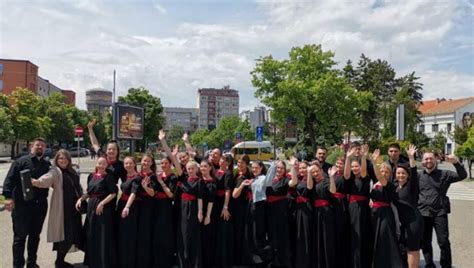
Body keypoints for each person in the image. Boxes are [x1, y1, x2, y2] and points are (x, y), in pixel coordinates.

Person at [3, 137, 51, 268]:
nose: (40, 147)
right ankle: (18, 265)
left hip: (40, 206)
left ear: (45, 148)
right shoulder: (21, 162)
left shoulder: (47, 165)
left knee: (35, 236)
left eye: (42, 145)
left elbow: (54, 180)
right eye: (37, 145)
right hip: (22, 206)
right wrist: (7, 198)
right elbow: (9, 180)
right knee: (20, 237)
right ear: (31, 147)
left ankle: (31, 263)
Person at [31, 149, 83, 268]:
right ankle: (59, 262)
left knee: (74, 234)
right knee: (65, 236)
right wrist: (34, 182)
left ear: (69, 160)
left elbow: (77, 186)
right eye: (60, 158)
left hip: (74, 209)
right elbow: (45, 180)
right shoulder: (55, 171)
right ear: (56, 160)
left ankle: (61, 260)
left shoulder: (72, 171)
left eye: (65, 158)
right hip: (63, 209)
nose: (63, 160)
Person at [160, 130, 202, 268]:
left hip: (191, 206)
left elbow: (193, 155)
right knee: (179, 232)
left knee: (189, 233)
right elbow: (172, 158)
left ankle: (190, 259)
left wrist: (186, 141)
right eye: (181, 158)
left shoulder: (195, 172)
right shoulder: (180, 173)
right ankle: (178, 258)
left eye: (185, 157)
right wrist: (163, 141)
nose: (183, 159)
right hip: (178, 204)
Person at [418, 152, 467, 268]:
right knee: (425, 241)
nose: (429, 161)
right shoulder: (418, 176)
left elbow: (462, 175)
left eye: (431, 158)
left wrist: (456, 162)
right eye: (426, 159)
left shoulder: (444, 174)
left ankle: (446, 265)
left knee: (443, 241)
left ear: (435, 160)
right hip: (423, 212)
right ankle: (429, 264)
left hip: (440, 212)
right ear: (423, 161)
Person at [76, 156, 118, 268]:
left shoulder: (108, 177)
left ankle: (103, 262)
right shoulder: (91, 176)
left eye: (104, 164)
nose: (101, 165)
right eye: (100, 163)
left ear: (107, 165)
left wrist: (102, 203)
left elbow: (113, 194)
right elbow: (89, 192)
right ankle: (92, 260)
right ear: (96, 164)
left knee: (102, 234)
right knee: (91, 233)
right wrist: (81, 199)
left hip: (103, 208)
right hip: (91, 208)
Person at [370, 149, 403, 268]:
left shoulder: (389, 185)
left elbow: (379, 177)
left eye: (386, 172)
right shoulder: (374, 185)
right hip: (374, 214)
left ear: (390, 174)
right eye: (382, 171)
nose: (383, 173)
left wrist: (374, 163)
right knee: (376, 240)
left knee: (386, 239)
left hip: (385, 215)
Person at [344, 144, 373, 268]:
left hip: (362, 208)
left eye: (357, 166)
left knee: (362, 235)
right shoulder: (350, 178)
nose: (354, 168)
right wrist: (348, 158)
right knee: (352, 236)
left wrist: (364, 157)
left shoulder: (364, 177)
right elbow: (345, 175)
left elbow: (364, 170)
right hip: (351, 208)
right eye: (353, 167)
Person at [394, 145, 423, 268]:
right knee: (403, 248)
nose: (400, 175)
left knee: (412, 249)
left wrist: (411, 157)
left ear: (407, 175)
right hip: (402, 223)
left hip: (413, 222)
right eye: (398, 173)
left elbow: (414, 172)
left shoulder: (411, 186)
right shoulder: (395, 188)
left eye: (403, 173)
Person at [116, 156, 142, 268]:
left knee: (129, 235)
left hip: (130, 207)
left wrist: (127, 207)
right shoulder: (126, 176)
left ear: (135, 164)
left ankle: (129, 262)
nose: (128, 165)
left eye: (130, 163)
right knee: (122, 235)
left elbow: (133, 193)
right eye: (126, 163)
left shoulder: (137, 177)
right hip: (122, 204)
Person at [266, 160, 292, 267]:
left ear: (285, 170)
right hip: (269, 210)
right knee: (270, 235)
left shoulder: (286, 179)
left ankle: (281, 261)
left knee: (280, 236)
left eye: (281, 168)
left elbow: (293, 183)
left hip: (280, 210)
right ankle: (271, 260)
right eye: (278, 168)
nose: (279, 170)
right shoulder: (270, 179)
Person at [288, 158, 313, 268]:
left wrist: (309, 173)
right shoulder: (299, 179)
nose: (302, 170)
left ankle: (307, 262)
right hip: (298, 209)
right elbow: (293, 183)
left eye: (305, 168)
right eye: (301, 168)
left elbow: (309, 187)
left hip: (307, 209)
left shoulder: (310, 179)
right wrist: (293, 166)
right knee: (299, 235)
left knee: (306, 235)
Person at [153, 156, 177, 268]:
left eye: (166, 163)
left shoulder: (172, 177)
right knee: (157, 233)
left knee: (165, 233)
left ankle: (167, 260)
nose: (163, 165)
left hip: (165, 206)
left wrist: (161, 182)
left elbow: (171, 194)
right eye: (161, 163)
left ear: (170, 164)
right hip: (156, 205)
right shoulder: (158, 175)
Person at [312, 163, 337, 268]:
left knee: (327, 239)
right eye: (313, 172)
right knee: (318, 239)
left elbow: (333, 191)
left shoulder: (326, 181)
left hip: (326, 213)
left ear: (321, 171)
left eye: (317, 171)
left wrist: (331, 177)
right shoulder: (312, 182)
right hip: (316, 213)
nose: (315, 173)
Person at [87, 119, 126, 184]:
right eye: (109, 149)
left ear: (117, 151)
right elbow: (95, 144)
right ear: (106, 150)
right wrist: (90, 128)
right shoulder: (102, 156)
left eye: (114, 149)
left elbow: (125, 181)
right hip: (97, 187)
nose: (111, 151)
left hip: (111, 191)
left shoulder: (121, 165)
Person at [136, 154, 157, 268]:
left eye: (148, 161)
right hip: (137, 205)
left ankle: (146, 260)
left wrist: (145, 187)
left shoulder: (152, 176)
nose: (146, 163)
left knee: (146, 232)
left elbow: (153, 193)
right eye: (144, 161)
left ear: (152, 163)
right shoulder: (138, 175)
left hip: (148, 205)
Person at [214, 154, 234, 267]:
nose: (221, 161)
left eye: (224, 160)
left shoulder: (228, 174)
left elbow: (227, 191)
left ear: (228, 163)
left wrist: (225, 207)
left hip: (223, 204)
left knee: (223, 231)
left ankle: (224, 260)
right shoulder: (216, 171)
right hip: (215, 203)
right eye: (221, 159)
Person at [331, 156, 350, 268]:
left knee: (341, 232)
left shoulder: (346, 176)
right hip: (332, 204)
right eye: (337, 164)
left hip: (341, 204)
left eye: (340, 164)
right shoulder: (332, 174)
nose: (338, 166)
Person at [199, 159, 217, 268]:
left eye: (205, 166)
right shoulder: (199, 180)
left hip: (208, 213)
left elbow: (211, 200)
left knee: (207, 239)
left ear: (210, 168)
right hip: (199, 213)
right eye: (201, 166)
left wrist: (208, 216)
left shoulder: (212, 182)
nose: (203, 168)